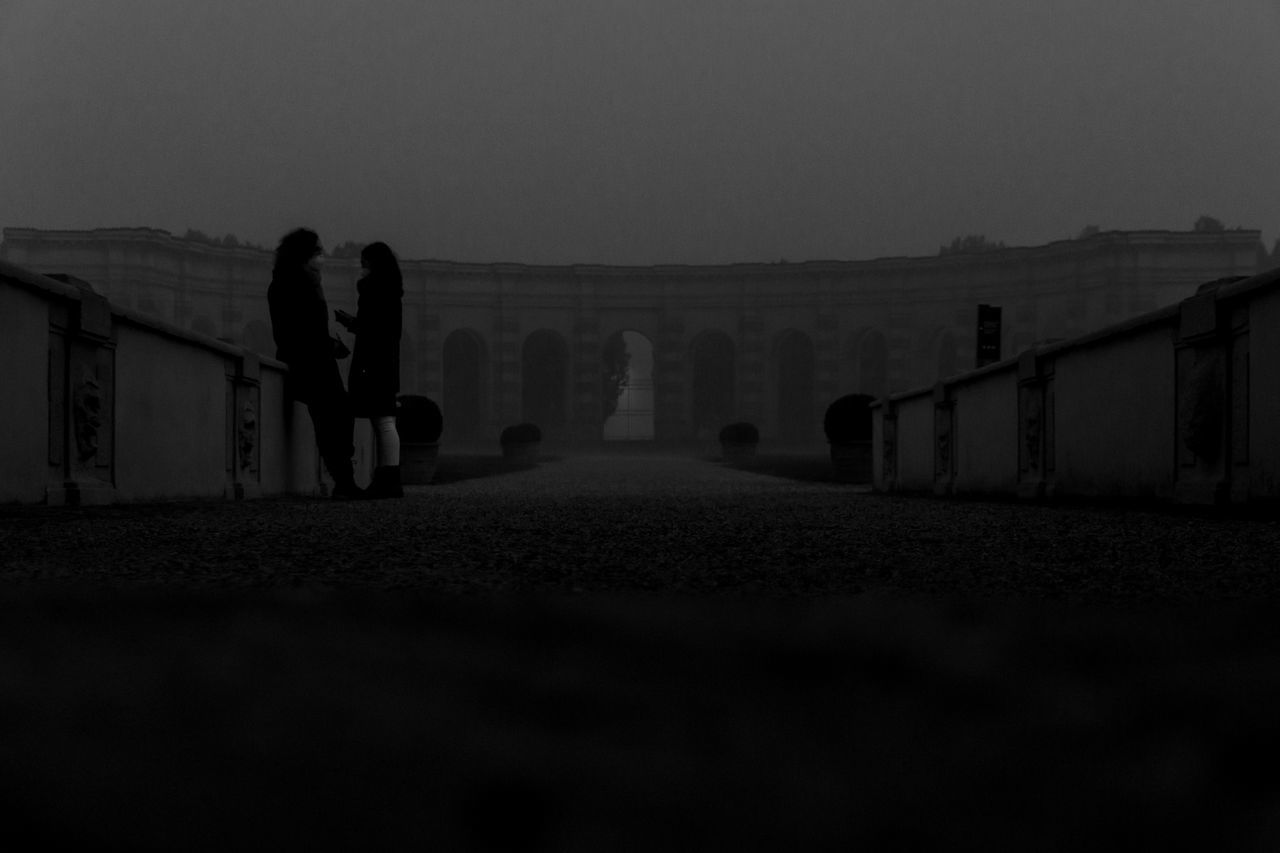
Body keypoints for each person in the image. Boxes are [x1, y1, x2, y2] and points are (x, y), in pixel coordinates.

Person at [267, 228, 363, 499]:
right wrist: (328, 345)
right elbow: (293, 331)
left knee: (338, 414)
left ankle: (345, 481)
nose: (322, 257)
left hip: (319, 360)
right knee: (332, 418)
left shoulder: (307, 283)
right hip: (307, 363)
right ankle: (344, 482)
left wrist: (330, 345)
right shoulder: (289, 284)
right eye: (318, 251)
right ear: (303, 254)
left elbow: (308, 329)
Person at [336, 241, 404, 499]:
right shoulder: (391, 290)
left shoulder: (374, 289)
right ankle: (389, 478)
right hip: (384, 361)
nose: (360, 266)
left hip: (373, 362)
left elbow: (372, 329)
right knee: (384, 420)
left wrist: (354, 324)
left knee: (383, 420)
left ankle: (388, 479)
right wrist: (356, 324)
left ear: (373, 263)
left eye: (364, 261)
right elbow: (384, 330)